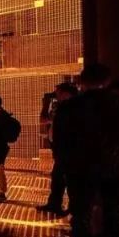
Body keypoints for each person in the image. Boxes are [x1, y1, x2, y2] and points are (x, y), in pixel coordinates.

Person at [53, 64, 119, 237]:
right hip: (115, 166)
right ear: (107, 81)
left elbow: (60, 141)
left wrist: (65, 164)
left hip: (80, 167)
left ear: (82, 82)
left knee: (81, 211)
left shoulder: (69, 107)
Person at [39, 83, 77, 214]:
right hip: (59, 146)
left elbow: (44, 118)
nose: (56, 95)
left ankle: (72, 207)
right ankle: (55, 204)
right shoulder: (59, 107)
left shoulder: (72, 107)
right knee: (58, 177)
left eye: (58, 92)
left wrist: (45, 104)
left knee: (69, 177)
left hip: (69, 148)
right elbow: (44, 120)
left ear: (67, 93)